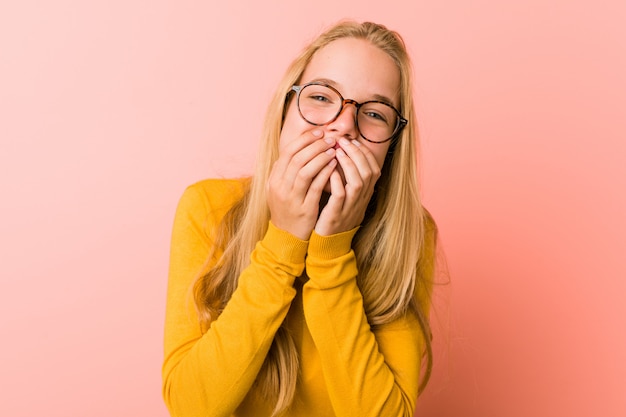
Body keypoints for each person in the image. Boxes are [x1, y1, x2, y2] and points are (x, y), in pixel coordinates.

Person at [162, 20, 438, 417]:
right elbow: (190, 407)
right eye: (323, 97)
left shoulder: (411, 235)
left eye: (375, 114)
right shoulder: (207, 208)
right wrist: (283, 241)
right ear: (285, 112)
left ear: (391, 148)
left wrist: (332, 252)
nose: (343, 126)